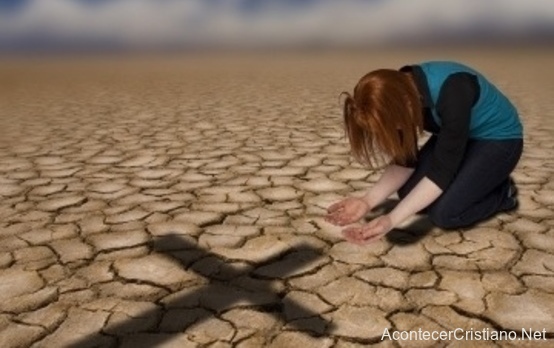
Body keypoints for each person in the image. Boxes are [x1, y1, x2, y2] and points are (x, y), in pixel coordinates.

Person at [325, 61, 523, 245]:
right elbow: (406, 160)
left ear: (406, 103)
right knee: (408, 193)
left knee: (445, 214)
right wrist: (366, 201)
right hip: (456, 136)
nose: (398, 129)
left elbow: (442, 172)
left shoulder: (454, 90)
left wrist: (391, 220)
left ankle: (503, 193)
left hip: (499, 140)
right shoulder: (398, 94)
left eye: (396, 125)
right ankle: (473, 181)